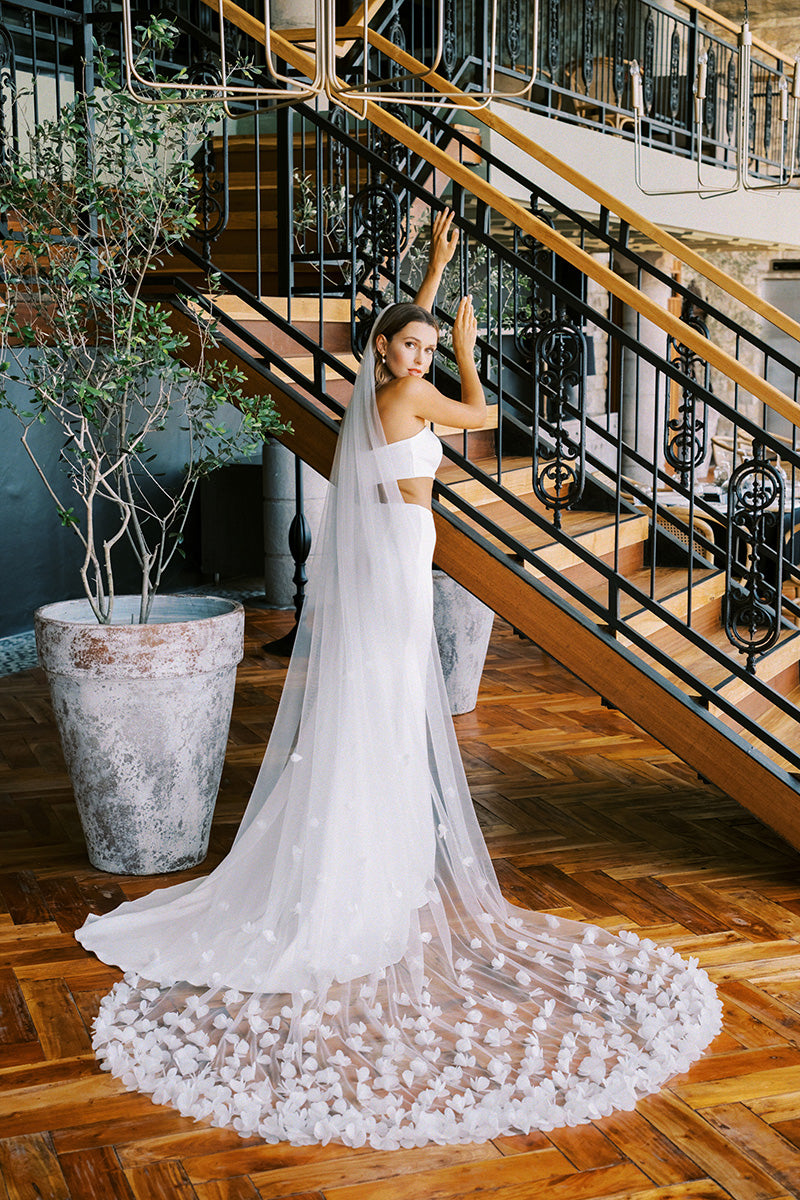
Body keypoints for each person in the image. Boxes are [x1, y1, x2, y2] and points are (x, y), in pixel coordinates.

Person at [75, 210, 721, 1149]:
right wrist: (465, 347)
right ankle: (363, 880)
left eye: (425, 345)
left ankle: (368, 869)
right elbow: (486, 417)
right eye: (410, 347)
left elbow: (395, 335)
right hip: (398, 565)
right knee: (383, 704)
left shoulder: (372, 395)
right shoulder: (414, 396)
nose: (419, 354)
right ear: (386, 358)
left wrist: (431, 276)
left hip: (393, 559)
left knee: (375, 706)